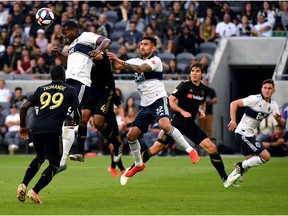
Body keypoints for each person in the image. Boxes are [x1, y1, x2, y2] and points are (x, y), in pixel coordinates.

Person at [120, 62, 234, 187]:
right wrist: (182, 111)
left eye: (197, 71)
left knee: (212, 148)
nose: (194, 73)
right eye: (192, 71)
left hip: (190, 125)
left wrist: (202, 110)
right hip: (176, 123)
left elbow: (203, 102)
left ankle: (225, 179)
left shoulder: (204, 90)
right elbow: (171, 101)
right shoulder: (184, 85)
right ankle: (131, 169)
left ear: (202, 74)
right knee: (155, 149)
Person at [107, 36, 199, 183]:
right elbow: (116, 68)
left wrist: (119, 60)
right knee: (131, 136)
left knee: (165, 125)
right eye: (141, 44)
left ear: (153, 48)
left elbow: (140, 69)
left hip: (158, 99)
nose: (142, 46)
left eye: (146, 44)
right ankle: (138, 164)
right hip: (145, 105)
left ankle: (190, 150)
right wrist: (109, 58)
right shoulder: (134, 60)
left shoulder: (156, 61)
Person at [16, 65, 81, 204]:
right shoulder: (70, 90)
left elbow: (24, 107)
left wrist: (22, 125)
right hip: (53, 130)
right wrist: (77, 120)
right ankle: (34, 191)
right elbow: (77, 111)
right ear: (64, 77)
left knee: (39, 157)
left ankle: (23, 184)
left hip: (36, 128)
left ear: (51, 77)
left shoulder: (41, 89)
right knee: (54, 164)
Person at [51, 20, 111, 168]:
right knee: (66, 119)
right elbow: (69, 62)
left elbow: (106, 40)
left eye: (65, 32)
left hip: (81, 82)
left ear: (73, 30)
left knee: (71, 119)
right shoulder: (71, 45)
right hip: (69, 82)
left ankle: (62, 160)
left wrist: (98, 50)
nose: (64, 35)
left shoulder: (85, 36)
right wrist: (60, 54)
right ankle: (61, 158)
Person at [226, 79, 285, 187]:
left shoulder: (273, 104)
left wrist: (279, 120)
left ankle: (228, 181)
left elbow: (282, 124)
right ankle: (240, 165)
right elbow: (234, 103)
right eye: (265, 88)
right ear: (261, 89)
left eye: (269, 88)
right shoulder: (254, 99)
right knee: (266, 157)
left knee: (250, 161)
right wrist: (233, 120)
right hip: (243, 134)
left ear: (273, 90)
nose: (267, 90)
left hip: (249, 134)